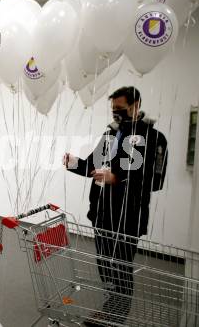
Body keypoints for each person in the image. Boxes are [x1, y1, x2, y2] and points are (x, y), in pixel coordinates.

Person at [64, 86, 167, 326]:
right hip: (100, 213)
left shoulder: (155, 138)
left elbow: (156, 180)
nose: (116, 115)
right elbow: (93, 164)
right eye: (113, 110)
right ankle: (110, 309)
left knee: (121, 267)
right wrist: (73, 163)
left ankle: (115, 317)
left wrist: (117, 179)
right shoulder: (110, 134)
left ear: (136, 105)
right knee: (104, 264)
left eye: (120, 109)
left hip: (129, 216)